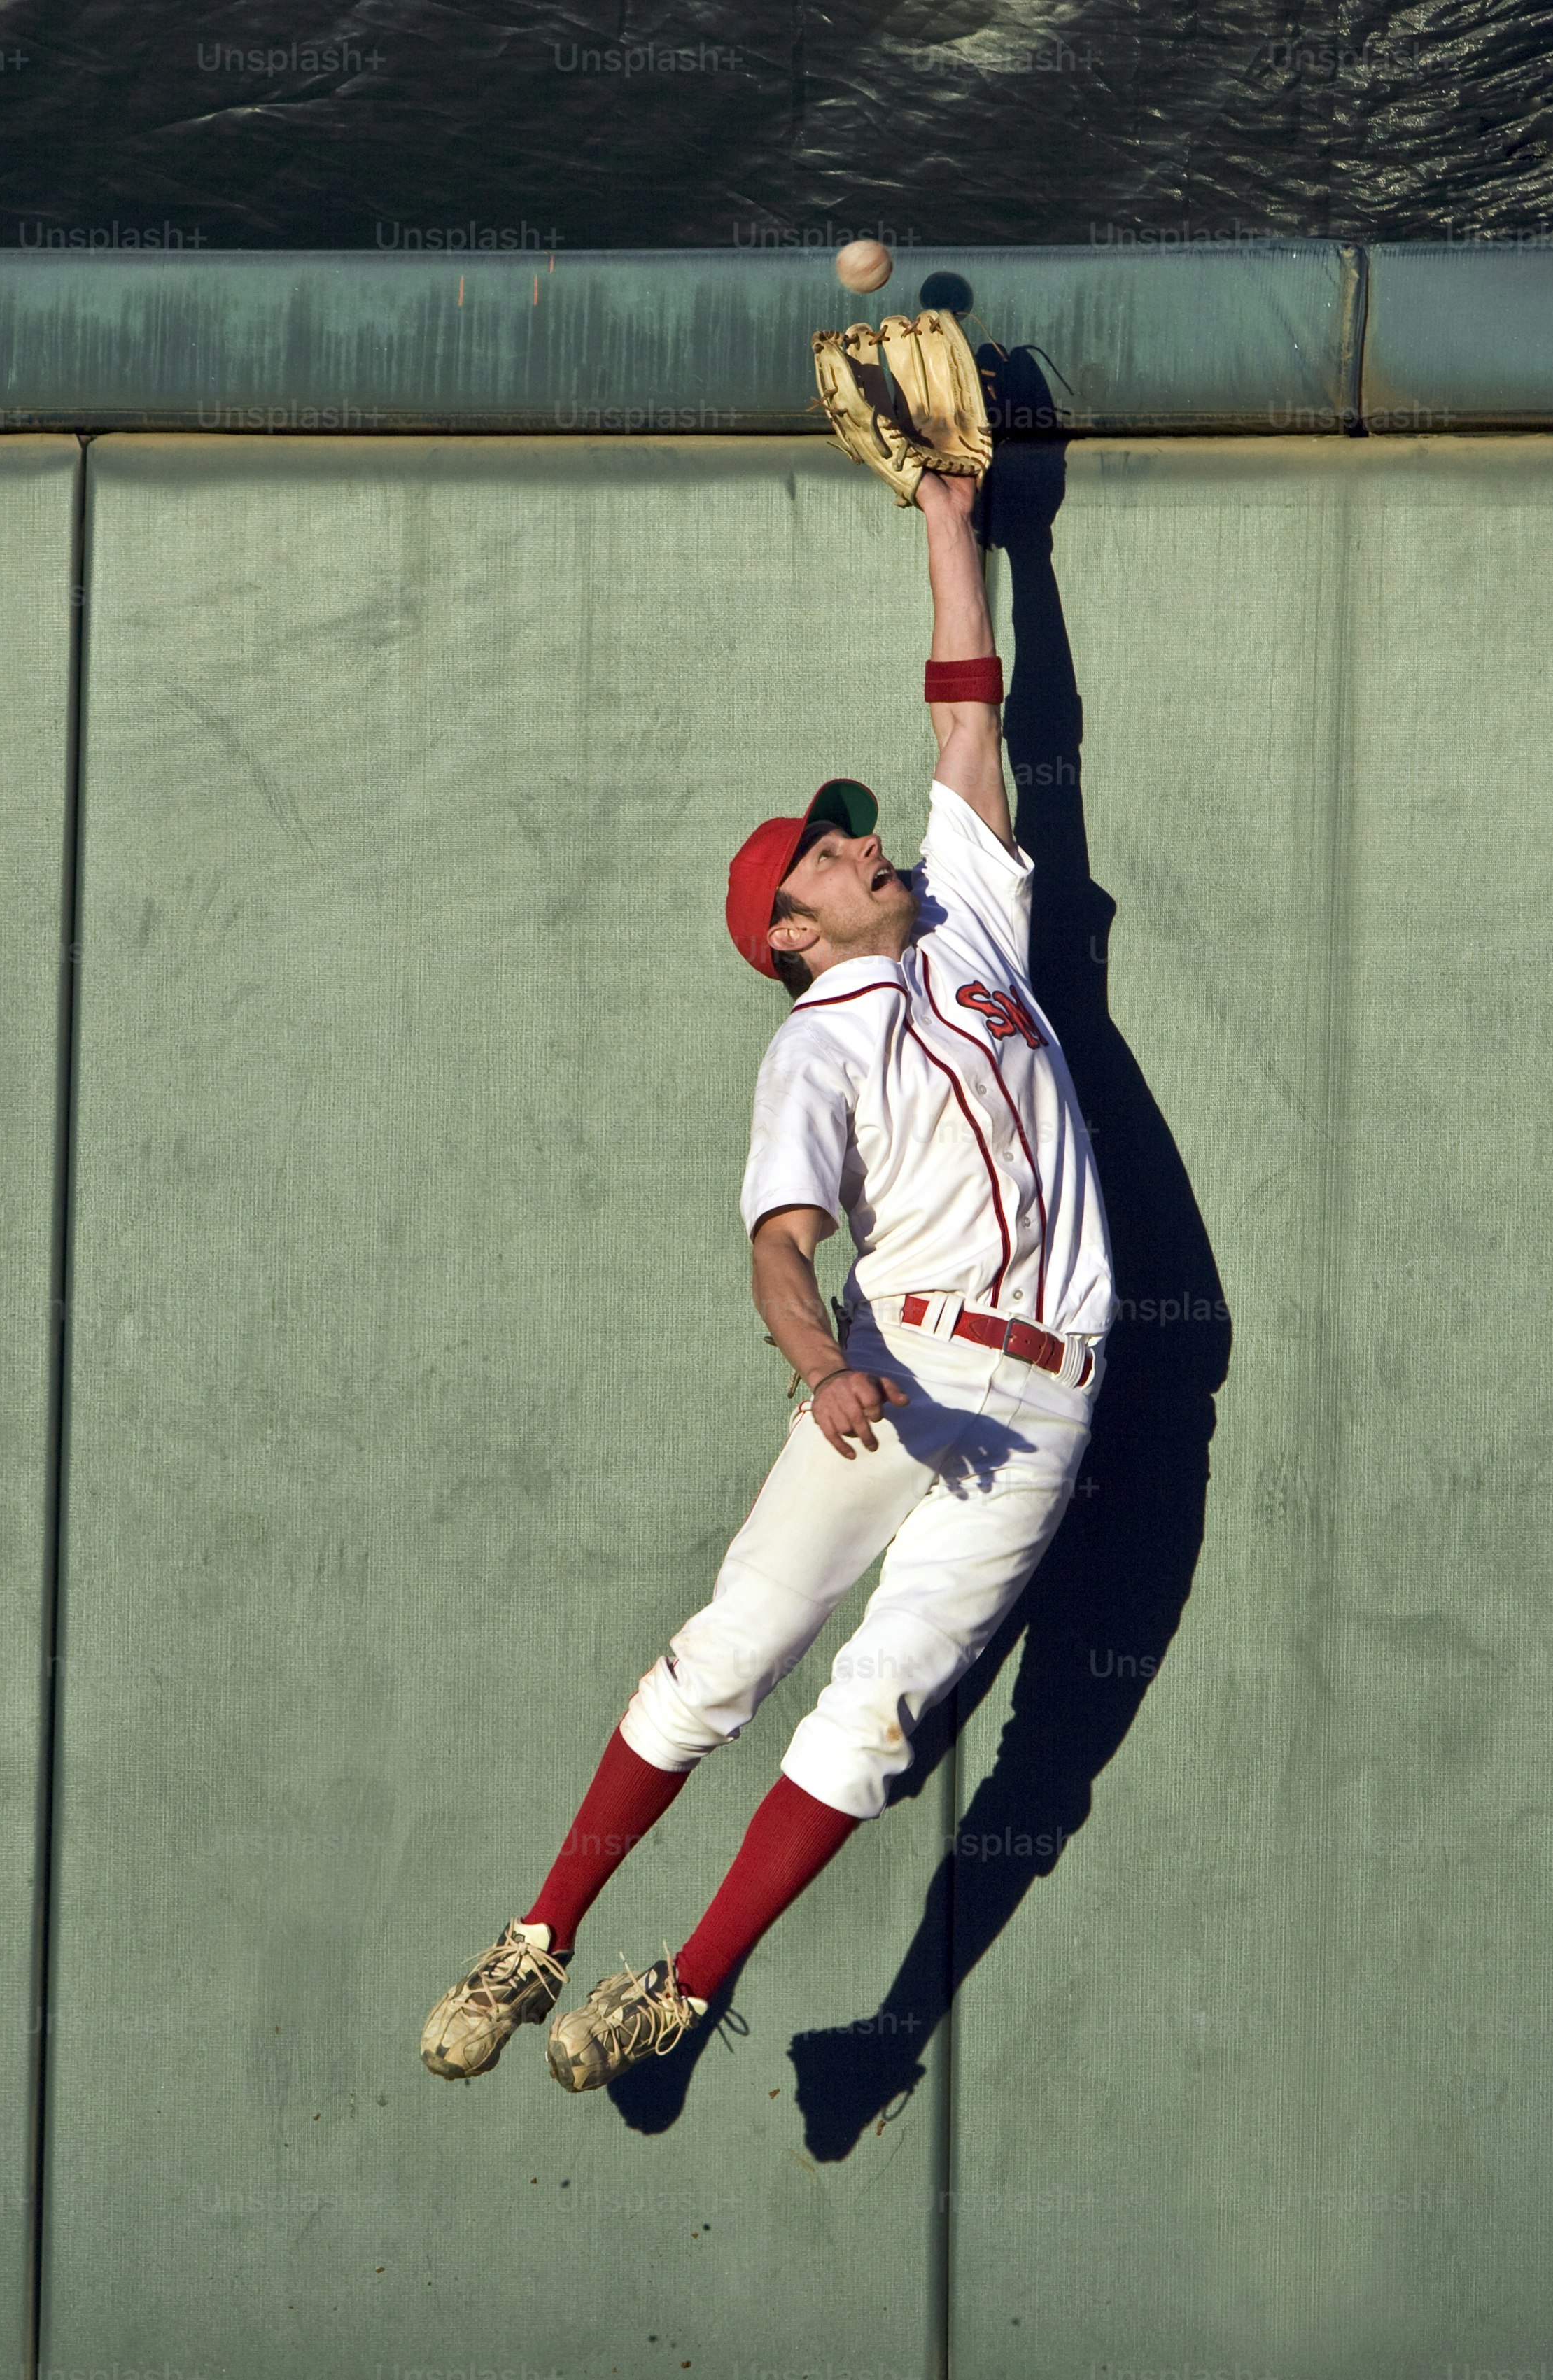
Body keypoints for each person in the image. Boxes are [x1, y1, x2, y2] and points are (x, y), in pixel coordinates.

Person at [421, 463, 1116, 2093]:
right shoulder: (812, 1049)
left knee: (873, 1722)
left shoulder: (968, 931)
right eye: (821, 852)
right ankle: (538, 1939)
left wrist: (955, 518)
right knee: (731, 1653)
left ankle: (686, 1987)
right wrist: (818, 1366)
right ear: (790, 932)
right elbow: (781, 1250)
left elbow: (964, 718)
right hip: (896, 1380)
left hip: (1045, 1407)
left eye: (844, 834)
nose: (859, 840)